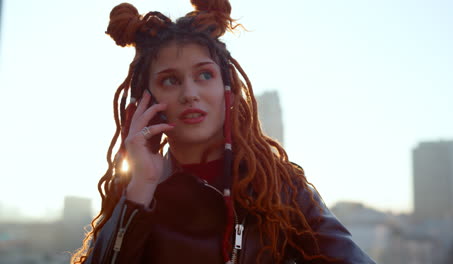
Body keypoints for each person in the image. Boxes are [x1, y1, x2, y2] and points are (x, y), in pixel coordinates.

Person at [72, 0, 377, 263]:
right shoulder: (134, 190)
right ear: (147, 100)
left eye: (204, 75)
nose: (190, 93)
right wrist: (140, 191)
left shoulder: (281, 187)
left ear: (227, 89)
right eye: (170, 80)